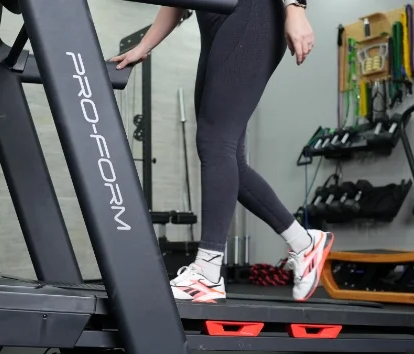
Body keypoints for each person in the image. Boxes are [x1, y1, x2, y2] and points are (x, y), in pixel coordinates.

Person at [111, 0, 333, 303]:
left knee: (216, 144)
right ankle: (303, 242)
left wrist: (295, 8)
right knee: (224, 156)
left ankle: (207, 271)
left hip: (253, 12)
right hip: (216, 22)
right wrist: (144, 46)